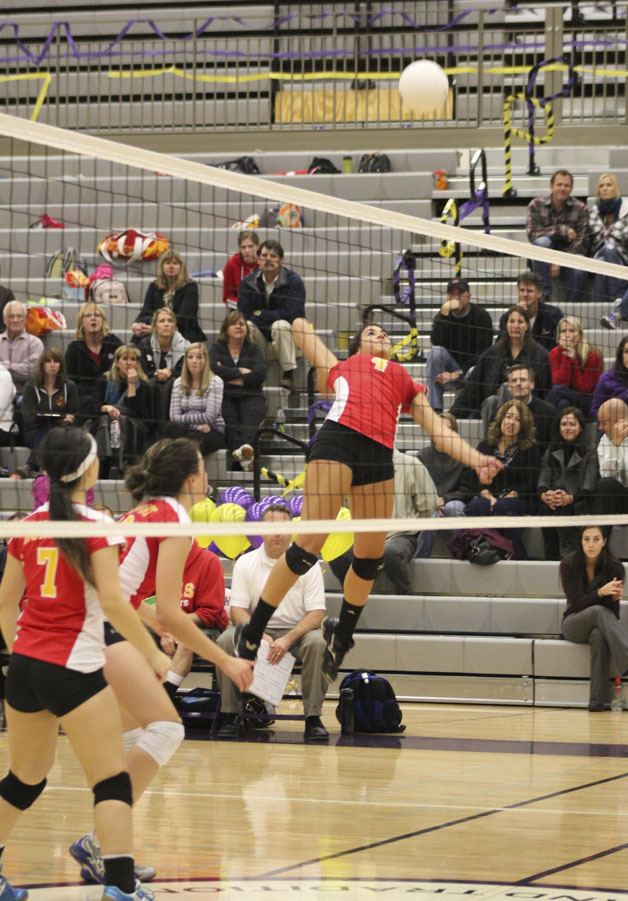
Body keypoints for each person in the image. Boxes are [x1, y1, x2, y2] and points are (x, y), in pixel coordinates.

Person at [231, 317, 501, 681]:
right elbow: (302, 333)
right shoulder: (344, 367)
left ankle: (341, 637)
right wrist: (298, 322)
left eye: (385, 333)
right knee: (309, 545)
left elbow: (439, 432)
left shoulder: (403, 379)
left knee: (371, 555)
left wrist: (476, 459)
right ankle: (252, 632)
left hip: (378, 455)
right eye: (372, 332)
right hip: (338, 440)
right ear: (358, 345)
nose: (381, 335)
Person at [69, 437, 253, 886]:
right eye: (204, 470)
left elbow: (132, 597)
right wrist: (226, 663)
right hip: (95, 629)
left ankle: (106, 847)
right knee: (167, 729)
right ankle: (100, 844)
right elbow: (169, 608)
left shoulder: (144, 512)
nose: (208, 476)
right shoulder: (175, 517)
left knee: (135, 733)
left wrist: (160, 627)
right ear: (192, 479)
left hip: (86, 622)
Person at [0, 426, 170, 900]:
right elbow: (116, 604)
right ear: (89, 469)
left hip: (25, 668)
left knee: (24, 778)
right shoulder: (98, 526)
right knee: (111, 781)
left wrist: (22, 651)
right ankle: (120, 888)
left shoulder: (28, 525)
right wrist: (154, 652)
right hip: (72, 668)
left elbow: (4, 604)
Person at [216, 504, 330, 742]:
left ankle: (313, 718)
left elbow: (316, 614)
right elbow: (237, 610)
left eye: (282, 527)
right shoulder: (245, 563)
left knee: (317, 642)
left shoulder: (308, 564)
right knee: (226, 639)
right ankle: (230, 715)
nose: (277, 533)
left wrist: (288, 639)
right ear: (261, 530)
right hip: (258, 627)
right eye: (271, 526)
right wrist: (258, 634)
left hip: (297, 630)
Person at [329, 449, 438, 594]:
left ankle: (405, 595)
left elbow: (428, 505)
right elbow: (347, 505)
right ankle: (356, 597)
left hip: (401, 535)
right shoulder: (357, 467)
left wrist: (410, 526)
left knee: (391, 552)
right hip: (365, 535)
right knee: (337, 555)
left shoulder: (411, 464)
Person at [460, 399, 541, 560]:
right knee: (477, 505)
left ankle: (518, 557)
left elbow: (531, 481)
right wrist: (486, 493)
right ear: (501, 419)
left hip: (518, 499)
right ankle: (477, 552)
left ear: (523, 425)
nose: (511, 422)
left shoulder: (530, 448)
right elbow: (472, 476)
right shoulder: (485, 445)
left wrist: (515, 493)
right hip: (488, 496)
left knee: (503, 507)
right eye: (508, 417)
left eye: (517, 419)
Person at [561, 526, 627, 711]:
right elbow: (575, 604)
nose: (591, 544)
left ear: (604, 541)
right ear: (580, 541)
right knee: (598, 611)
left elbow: (612, 616)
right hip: (573, 623)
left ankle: (598, 700)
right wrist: (600, 592)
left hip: (601, 622)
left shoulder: (615, 568)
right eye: (586, 539)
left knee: (599, 635)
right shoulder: (568, 565)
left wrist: (614, 600)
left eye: (596, 539)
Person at [451, 305, 550, 419]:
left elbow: (544, 391)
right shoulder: (492, 353)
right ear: (506, 326)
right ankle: (495, 434)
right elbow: (472, 388)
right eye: (512, 321)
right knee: (492, 400)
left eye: (520, 322)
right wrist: (452, 415)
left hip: (528, 410)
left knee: (505, 387)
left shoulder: (540, 355)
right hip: (495, 411)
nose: (516, 326)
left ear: (527, 326)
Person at [161, 541, 228, 702]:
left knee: (187, 640)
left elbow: (210, 612)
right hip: (167, 625)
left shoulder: (209, 561)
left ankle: (164, 698)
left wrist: (177, 626)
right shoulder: (159, 561)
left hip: (206, 628)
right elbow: (150, 603)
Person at [237, 239, 305, 391]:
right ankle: (254, 372)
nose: (268, 260)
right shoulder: (247, 283)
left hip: (290, 342)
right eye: (264, 255)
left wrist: (260, 313)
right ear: (258, 259)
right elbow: (243, 314)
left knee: (280, 326)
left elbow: (293, 314)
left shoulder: (294, 282)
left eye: (273, 256)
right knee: (246, 326)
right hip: (261, 341)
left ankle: (289, 374)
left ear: (281, 260)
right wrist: (270, 316)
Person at [87, 345, 158, 478]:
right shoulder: (105, 380)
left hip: (134, 430)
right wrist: (107, 408)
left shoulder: (144, 385)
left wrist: (132, 386)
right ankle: (116, 463)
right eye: (125, 359)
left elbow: (143, 416)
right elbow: (92, 407)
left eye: (133, 359)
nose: (129, 363)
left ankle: (109, 462)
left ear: (138, 363)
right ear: (117, 362)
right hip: (105, 427)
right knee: (107, 420)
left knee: (122, 420)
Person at [209, 311, 267, 471]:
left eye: (242, 324)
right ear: (226, 328)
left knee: (250, 419)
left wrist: (228, 374)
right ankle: (245, 459)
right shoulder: (217, 348)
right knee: (230, 423)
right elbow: (213, 370)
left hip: (252, 395)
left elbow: (260, 374)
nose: (238, 327)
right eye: (234, 323)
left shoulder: (254, 349)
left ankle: (241, 455)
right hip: (226, 396)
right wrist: (242, 371)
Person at [537, 407, 599, 559]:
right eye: (564, 424)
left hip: (580, 504)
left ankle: (569, 555)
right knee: (547, 505)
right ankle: (551, 557)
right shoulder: (552, 449)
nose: (568, 428)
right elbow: (543, 480)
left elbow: (589, 488)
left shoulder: (590, 451)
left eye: (572, 424)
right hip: (555, 503)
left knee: (560, 499)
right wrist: (545, 495)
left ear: (580, 428)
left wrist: (569, 498)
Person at [425, 278, 493, 412]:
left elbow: (483, 353)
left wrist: (458, 373)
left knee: (474, 370)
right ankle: (435, 409)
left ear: (469, 296)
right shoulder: (443, 315)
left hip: (471, 369)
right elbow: (436, 342)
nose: (456, 297)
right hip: (449, 367)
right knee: (435, 352)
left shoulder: (482, 316)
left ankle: (470, 412)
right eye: (452, 293)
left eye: (460, 293)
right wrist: (444, 315)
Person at [526, 168, 590, 301]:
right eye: (559, 184)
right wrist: (562, 230)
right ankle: (543, 296)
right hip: (544, 258)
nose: (562, 188)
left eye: (567, 185)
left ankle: (572, 310)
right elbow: (532, 234)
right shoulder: (536, 205)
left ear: (571, 189)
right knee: (541, 243)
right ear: (551, 186)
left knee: (580, 269)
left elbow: (582, 241)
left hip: (569, 256)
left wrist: (561, 260)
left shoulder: (581, 208)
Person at [166, 343, 227, 458]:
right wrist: (195, 426)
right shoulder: (178, 383)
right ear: (186, 361)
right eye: (190, 357)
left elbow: (210, 416)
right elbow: (173, 417)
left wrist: (188, 423)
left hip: (212, 430)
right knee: (171, 428)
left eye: (199, 357)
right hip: (188, 429)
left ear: (206, 360)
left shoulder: (215, 382)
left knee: (189, 443)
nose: (194, 361)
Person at [132, 251, 206, 344]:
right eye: (167, 263)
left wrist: (157, 327)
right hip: (157, 329)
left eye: (175, 263)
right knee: (137, 340)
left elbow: (185, 317)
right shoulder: (154, 285)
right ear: (162, 267)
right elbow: (146, 311)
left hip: (183, 331)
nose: (171, 266)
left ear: (181, 267)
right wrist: (136, 324)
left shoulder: (190, 286)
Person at [21, 348, 80, 464]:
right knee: (46, 428)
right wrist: (42, 418)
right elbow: (27, 418)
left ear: (61, 365)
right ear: (42, 365)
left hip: (63, 431)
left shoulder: (69, 386)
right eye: (48, 361)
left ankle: (31, 465)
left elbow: (76, 413)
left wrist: (70, 418)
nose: (52, 365)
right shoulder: (31, 387)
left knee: (52, 431)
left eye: (56, 361)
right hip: (35, 432)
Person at [481, 364, 556, 452]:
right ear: (508, 387)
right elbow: (492, 440)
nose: (518, 384)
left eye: (523, 380)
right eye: (514, 380)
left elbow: (552, 446)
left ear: (532, 384)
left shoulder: (548, 411)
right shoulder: (499, 412)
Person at [64, 303, 123, 409]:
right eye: (88, 316)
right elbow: (69, 382)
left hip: (112, 394)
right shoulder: (74, 349)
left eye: (97, 315)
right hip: (87, 398)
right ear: (81, 322)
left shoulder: (114, 343)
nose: (93, 318)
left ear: (103, 321)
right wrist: (96, 392)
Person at [138, 308, 189, 421]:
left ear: (175, 326)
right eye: (162, 321)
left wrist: (170, 372)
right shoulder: (144, 344)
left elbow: (185, 372)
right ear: (154, 327)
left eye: (170, 321)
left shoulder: (186, 346)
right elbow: (143, 371)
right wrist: (158, 374)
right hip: (150, 386)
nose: (166, 324)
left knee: (169, 385)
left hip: (177, 388)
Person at [546, 316, 603, 418]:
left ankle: (541, 423)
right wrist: (566, 357)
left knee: (558, 390)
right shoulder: (554, 353)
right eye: (563, 331)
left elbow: (585, 389)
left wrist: (574, 361)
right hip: (565, 397)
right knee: (563, 404)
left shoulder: (593, 355)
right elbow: (561, 382)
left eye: (572, 331)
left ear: (580, 334)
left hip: (588, 402)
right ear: (559, 336)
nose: (567, 335)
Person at [588, 173, 628, 308]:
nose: (604, 188)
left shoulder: (626, 210)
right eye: (601, 186)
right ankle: (606, 307)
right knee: (601, 260)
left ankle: (616, 298)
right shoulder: (593, 212)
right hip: (598, 258)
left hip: (624, 259)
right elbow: (590, 241)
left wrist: (607, 237)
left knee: (609, 249)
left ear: (615, 189)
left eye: (609, 185)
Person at [498, 271, 563, 351]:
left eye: (529, 291)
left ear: (539, 293)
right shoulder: (507, 317)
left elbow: (559, 347)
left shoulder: (553, 315)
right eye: (522, 290)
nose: (525, 294)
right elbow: (500, 347)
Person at [590, 398, 628, 523]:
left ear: (620, 421)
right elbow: (606, 476)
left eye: (604, 423)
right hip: (620, 498)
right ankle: (599, 536)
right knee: (605, 484)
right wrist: (616, 446)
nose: (600, 428)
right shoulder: (605, 440)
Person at [0, 301, 44, 393]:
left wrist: (3, 366)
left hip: (25, 395)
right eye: (11, 316)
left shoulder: (35, 343)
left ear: (25, 319)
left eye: (19, 316)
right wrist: (18, 368)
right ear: (4, 319)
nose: (15, 320)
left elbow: (31, 372)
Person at [591, 336, 628, 419]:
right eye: (627, 352)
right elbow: (595, 410)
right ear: (621, 355)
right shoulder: (606, 378)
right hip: (613, 426)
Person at [222, 230, 260, 309]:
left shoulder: (264, 263)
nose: (247, 251)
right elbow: (227, 297)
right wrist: (243, 304)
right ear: (239, 248)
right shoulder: (231, 264)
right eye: (243, 247)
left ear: (257, 247)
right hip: (239, 310)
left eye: (250, 246)